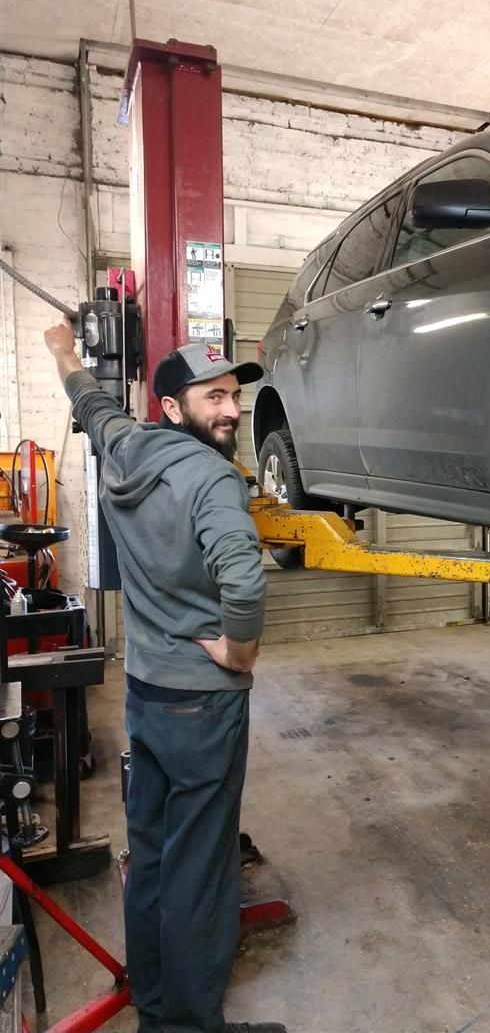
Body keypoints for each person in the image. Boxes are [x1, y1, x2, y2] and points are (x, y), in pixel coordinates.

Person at [44, 321, 286, 1033]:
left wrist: (64, 351)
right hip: (203, 705)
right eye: (212, 398)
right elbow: (243, 581)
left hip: (146, 694)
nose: (231, 410)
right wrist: (240, 653)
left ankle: (155, 1010)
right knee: (200, 873)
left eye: (233, 396)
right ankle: (188, 1026)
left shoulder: (124, 446)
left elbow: (90, 402)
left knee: (150, 855)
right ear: (174, 409)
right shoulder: (212, 477)